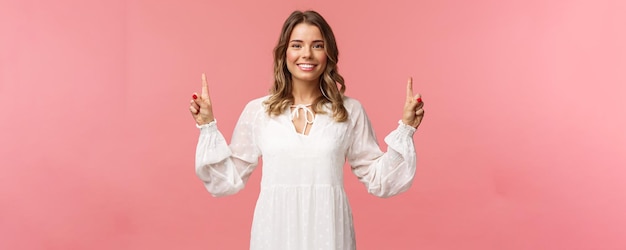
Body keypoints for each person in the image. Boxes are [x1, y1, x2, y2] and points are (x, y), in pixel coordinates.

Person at [188, 10, 424, 250]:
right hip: (274, 233)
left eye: (317, 45)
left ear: (328, 53)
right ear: (284, 53)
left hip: (329, 233)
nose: (307, 54)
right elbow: (227, 179)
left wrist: (406, 128)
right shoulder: (258, 111)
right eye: (297, 45)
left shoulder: (349, 111)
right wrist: (207, 125)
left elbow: (380, 180)